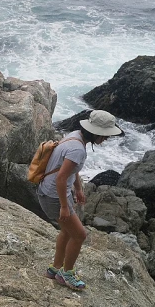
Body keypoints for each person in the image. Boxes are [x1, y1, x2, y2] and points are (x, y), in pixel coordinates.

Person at [37, 109, 122, 290]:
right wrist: (64, 207)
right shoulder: (77, 149)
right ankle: (67, 274)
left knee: (67, 231)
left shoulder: (75, 136)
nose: (105, 139)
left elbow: (69, 171)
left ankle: (55, 269)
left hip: (48, 191)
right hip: (54, 196)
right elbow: (61, 177)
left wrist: (77, 188)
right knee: (80, 235)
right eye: (105, 135)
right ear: (95, 132)